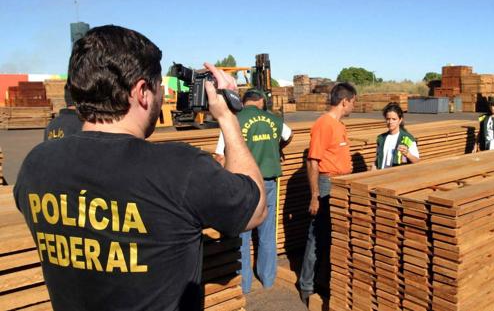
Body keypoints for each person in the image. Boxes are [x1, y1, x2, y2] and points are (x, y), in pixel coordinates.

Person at [13, 25, 267, 311]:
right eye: (158, 88)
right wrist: (228, 116)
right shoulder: (179, 168)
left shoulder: (36, 164)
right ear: (142, 91)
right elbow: (254, 209)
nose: (161, 97)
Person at [214, 89, 293, 294]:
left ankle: (245, 285)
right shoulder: (273, 119)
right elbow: (288, 134)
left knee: (243, 236)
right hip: (268, 182)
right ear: (260, 101)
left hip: (242, 184)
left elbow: (219, 154)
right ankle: (267, 279)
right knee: (267, 233)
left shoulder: (233, 120)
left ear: (245, 101)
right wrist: (277, 148)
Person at [298, 82, 356, 304]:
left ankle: (322, 280)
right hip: (326, 185)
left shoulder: (339, 125)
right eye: (353, 102)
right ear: (344, 101)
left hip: (340, 184)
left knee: (333, 236)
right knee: (317, 236)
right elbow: (313, 162)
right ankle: (306, 286)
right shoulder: (324, 124)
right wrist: (315, 196)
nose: (353, 106)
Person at [373, 102, 419, 169]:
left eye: (394, 119)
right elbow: (377, 161)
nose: (390, 122)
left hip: (398, 176)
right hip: (382, 176)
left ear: (400, 120)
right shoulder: (381, 138)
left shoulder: (407, 138)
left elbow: (417, 161)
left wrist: (408, 154)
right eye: (388, 119)